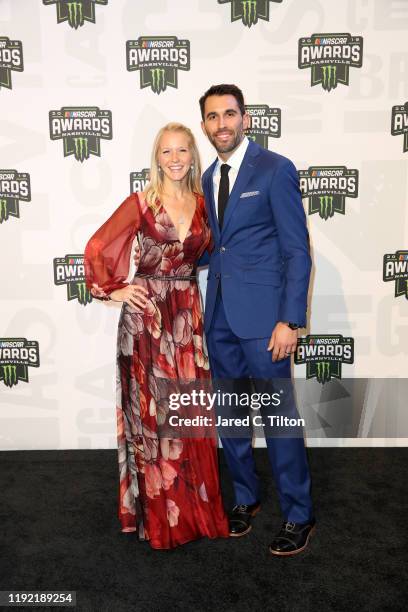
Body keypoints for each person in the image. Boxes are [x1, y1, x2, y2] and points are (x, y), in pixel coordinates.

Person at [84, 122, 229, 550]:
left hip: (186, 315)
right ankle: (160, 517)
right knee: (153, 417)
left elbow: (208, 254)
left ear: (192, 155)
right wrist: (118, 287)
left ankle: (195, 510)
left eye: (182, 150)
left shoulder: (205, 205)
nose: (175, 159)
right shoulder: (141, 203)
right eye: (166, 152)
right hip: (146, 321)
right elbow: (97, 247)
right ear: (157, 158)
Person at [199, 84, 315, 556]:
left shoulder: (275, 169)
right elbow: (214, 247)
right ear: (204, 124)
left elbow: (296, 250)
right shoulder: (206, 177)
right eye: (212, 117)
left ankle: (298, 514)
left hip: (267, 321)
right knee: (230, 417)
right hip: (220, 316)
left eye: (230, 114)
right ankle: (246, 498)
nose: (222, 124)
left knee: (279, 418)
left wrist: (290, 319)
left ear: (245, 119)